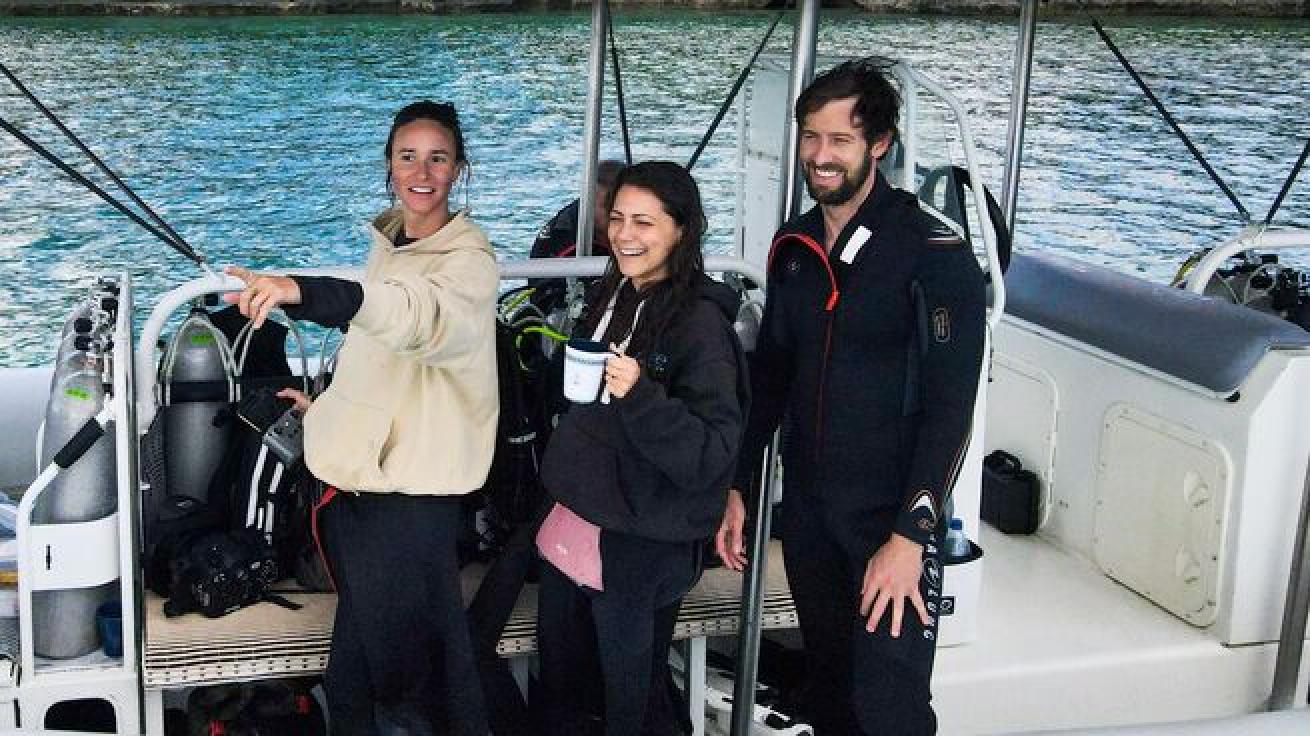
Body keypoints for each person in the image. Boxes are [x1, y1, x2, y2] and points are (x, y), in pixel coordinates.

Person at [714, 59, 986, 735]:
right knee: (830, 696)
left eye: (840, 139)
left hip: (887, 521)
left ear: (882, 144)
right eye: (811, 137)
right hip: (810, 515)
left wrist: (910, 536)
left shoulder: (935, 252)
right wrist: (740, 484)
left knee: (889, 709)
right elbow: (773, 374)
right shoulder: (794, 245)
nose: (820, 156)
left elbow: (952, 408)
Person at [222, 99, 499, 736]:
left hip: (411, 505)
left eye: (438, 157)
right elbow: (381, 355)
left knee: (399, 693)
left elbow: (414, 319)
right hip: (367, 492)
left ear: (460, 169)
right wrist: (327, 408)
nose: (421, 171)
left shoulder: (468, 266)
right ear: (389, 166)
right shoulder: (393, 245)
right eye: (408, 157)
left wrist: (304, 289)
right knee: (352, 681)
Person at [534, 161, 748, 736]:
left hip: (640, 546)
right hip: (583, 527)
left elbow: (711, 451)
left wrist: (641, 397)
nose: (626, 235)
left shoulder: (700, 327)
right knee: (567, 695)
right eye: (619, 219)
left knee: (627, 704)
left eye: (645, 223)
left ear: (682, 231)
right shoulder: (617, 292)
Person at [526, 159, 627, 313]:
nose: (619, 216)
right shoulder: (559, 237)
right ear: (588, 200)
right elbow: (542, 301)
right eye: (609, 206)